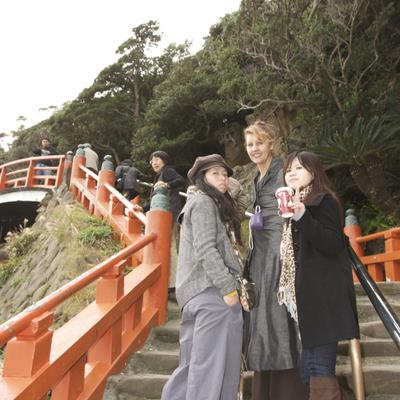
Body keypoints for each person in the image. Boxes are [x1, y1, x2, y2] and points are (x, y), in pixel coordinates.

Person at [161, 154, 243, 400]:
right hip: (212, 294)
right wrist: (229, 289)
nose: (223, 178)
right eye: (215, 173)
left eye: (225, 174)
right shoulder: (205, 202)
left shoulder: (197, 203)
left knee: (193, 366)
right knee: (215, 369)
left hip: (195, 295)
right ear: (202, 178)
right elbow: (206, 248)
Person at [280, 151, 359, 399]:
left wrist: (303, 215)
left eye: (300, 168)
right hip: (310, 297)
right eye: (289, 169)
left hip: (325, 295)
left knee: (320, 366)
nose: (292, 172)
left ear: (314, 173)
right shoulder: (295, 206)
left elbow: (334, 244)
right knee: (309, 367)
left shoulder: (323, 201)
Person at [242, 120, 307, 400]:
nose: (254, 149)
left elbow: (303, 193)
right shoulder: (257, 177)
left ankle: (289, 389)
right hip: (261, 255)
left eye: (259, 143)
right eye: (249, 144)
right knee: (262, 319)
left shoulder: (283, 170)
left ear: (271, 143)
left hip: (282, 252)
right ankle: (265, 389)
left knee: (283, 317)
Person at [149, 150, 185, 289]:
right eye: (152, 161)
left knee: (171, 245)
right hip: (164, 213)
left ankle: (174, 283)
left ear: (164, 160)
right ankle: (171, 282)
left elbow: (180, 180)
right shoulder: (159, 176)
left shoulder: (168, 171)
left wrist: (167, 185)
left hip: (171, 212)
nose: (154, 163)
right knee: (168, 245)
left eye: (157, 159)